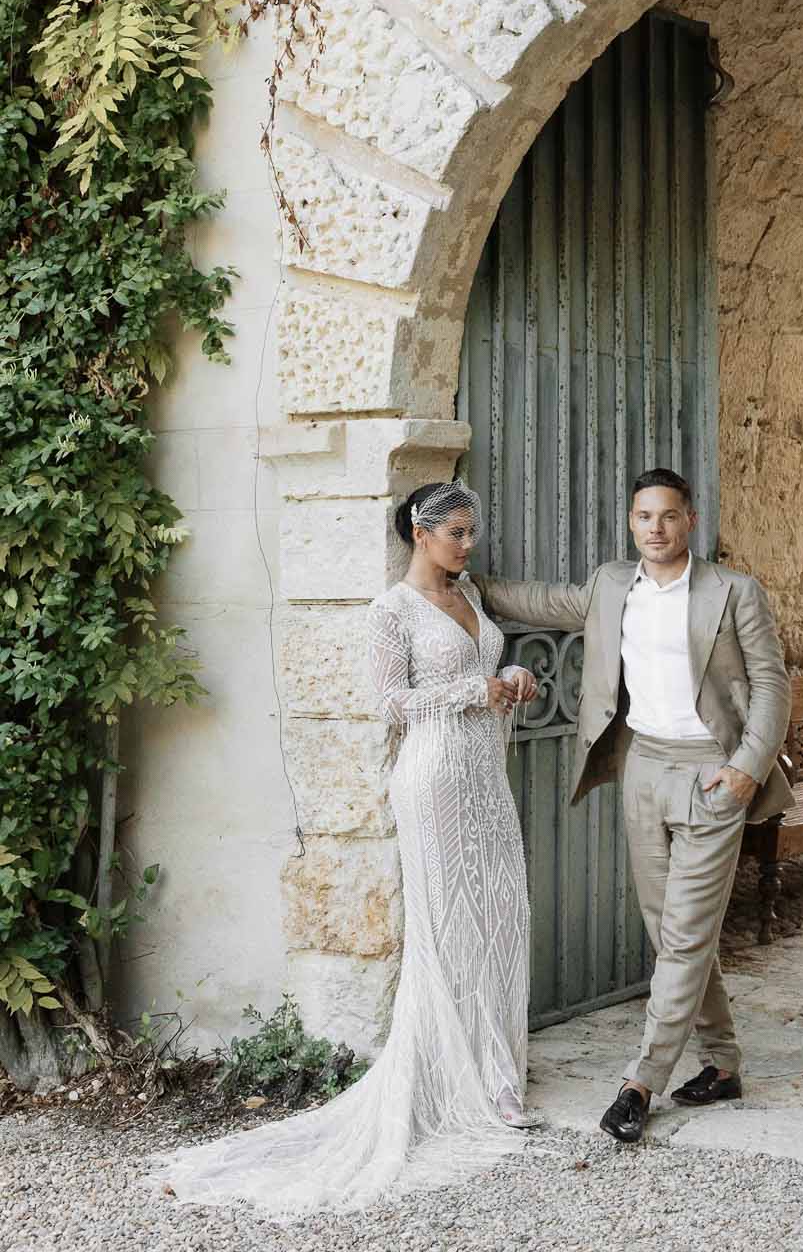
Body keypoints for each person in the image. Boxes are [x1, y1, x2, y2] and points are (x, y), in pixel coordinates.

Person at [158, 479, 540, 1215]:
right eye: (456, 532)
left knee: (500, 911)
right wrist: (471, 693)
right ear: (419, 533)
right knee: (449, 922)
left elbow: (479, 668)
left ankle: (497, 1067)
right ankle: (453, 1074)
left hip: (485, 774)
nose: (468, 543)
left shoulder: (470, 596)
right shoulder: (390, 609)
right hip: (431, 776)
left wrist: (511, 678)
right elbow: (387, 701)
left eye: (471, 531)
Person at [473, 466, 792, 1144]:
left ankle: (639, 1081)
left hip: (712, 773)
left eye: (669, 516)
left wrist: (745, 770)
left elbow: (772, 686)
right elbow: (542, 601)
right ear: (631, 522)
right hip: (643, 766)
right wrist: (460, 582)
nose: (656, 528)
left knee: (682, 935)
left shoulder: (733, 592)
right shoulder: (612, 584)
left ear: (690, 522)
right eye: (644, 516)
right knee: (668, 929)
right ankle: (724, 1065)